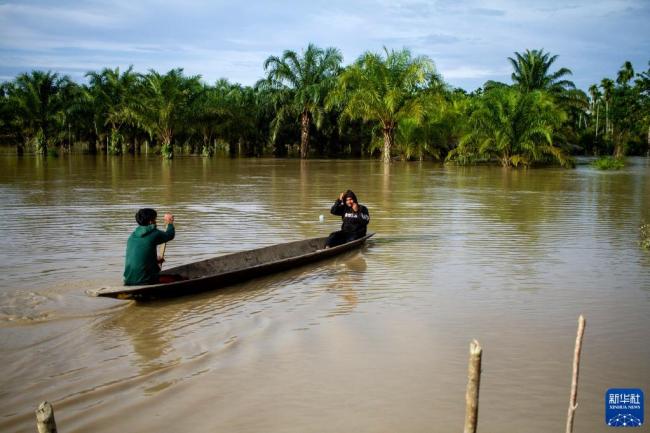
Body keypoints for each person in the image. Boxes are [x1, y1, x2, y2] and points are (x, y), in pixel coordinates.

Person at [123, 208, 175, 286]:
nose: (156, 221)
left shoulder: (132, 236)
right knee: (177, 278)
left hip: (128, 280)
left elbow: (139, 257)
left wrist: (155, 260)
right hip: (146, 281)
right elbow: (170, 235)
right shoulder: (155, 233)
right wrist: (169, 222)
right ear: (151, 221)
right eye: (155, 219)